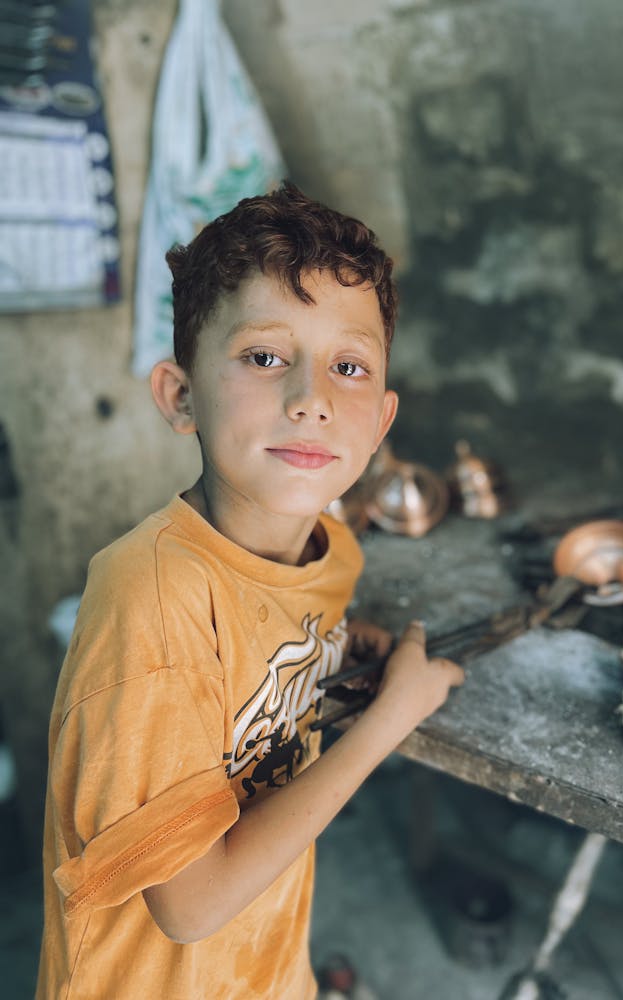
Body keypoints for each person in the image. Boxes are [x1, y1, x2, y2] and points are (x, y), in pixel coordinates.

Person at [36, 181, 464, 999]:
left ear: (379, 423)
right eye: (265, 357)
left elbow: (263, 657)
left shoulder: (323, 553)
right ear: (181, 395)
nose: (311, 402)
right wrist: (384, 725)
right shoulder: (151, 601)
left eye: (349, 367)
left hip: (265, 972)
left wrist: (340, 644)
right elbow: (190, 906)